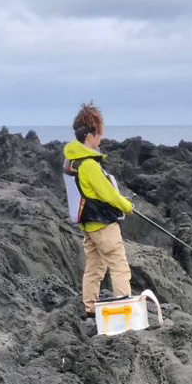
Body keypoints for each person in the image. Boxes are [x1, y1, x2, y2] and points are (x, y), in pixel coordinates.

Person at [63, 102, 135, 312]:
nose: (101, 138)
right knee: (119, 265)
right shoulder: (89, 165)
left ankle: (90, 309)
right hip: (103, 225)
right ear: (90, 135)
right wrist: (127, 206)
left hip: (87, 225)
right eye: (100, 133)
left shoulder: (72, 161)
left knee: (94, 267)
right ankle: (124, 309)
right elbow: (109, 194)